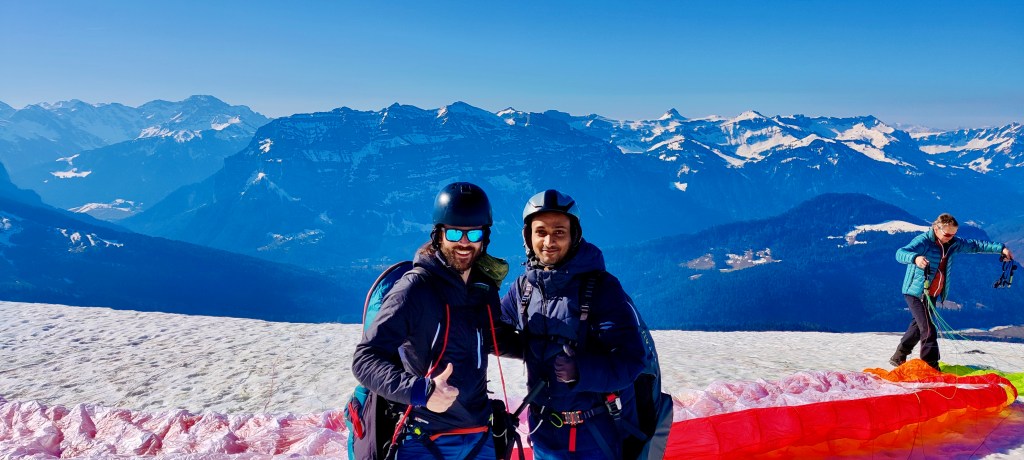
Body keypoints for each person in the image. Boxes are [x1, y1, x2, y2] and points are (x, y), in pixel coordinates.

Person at [352, 182, 515, 459]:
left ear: (484, 237)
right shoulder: (415, 289)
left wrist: (553, 346)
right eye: (454, 232)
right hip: (424, 439)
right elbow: (365, 359)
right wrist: (422, 391)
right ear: (438, 234)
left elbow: (496, 340)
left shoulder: (483, 291)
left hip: (480, 438)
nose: (464, 242)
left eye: (474, 233)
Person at [500, 189, 647, 460]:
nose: (549, 241)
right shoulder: (523, 289)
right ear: (528, 237)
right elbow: (493, 331)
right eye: (540, 232)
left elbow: (632, 360)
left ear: (574, 235)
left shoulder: (601, 288)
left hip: (595, 436)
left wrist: (580, 370)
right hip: (544, 435)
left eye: (559, 232)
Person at [890, 213, 1014, 370]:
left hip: (932, 293)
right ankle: (931, 366)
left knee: (918, 326)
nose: (951, 238)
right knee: (928, 328)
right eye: (947, 234)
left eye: (954, 234)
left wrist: (1001, 249)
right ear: (936, 228)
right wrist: (915, 258)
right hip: (916, 293)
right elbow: (900, 253)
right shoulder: (923, 241)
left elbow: (975, 246)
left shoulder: (953, 243)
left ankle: (898, 357)